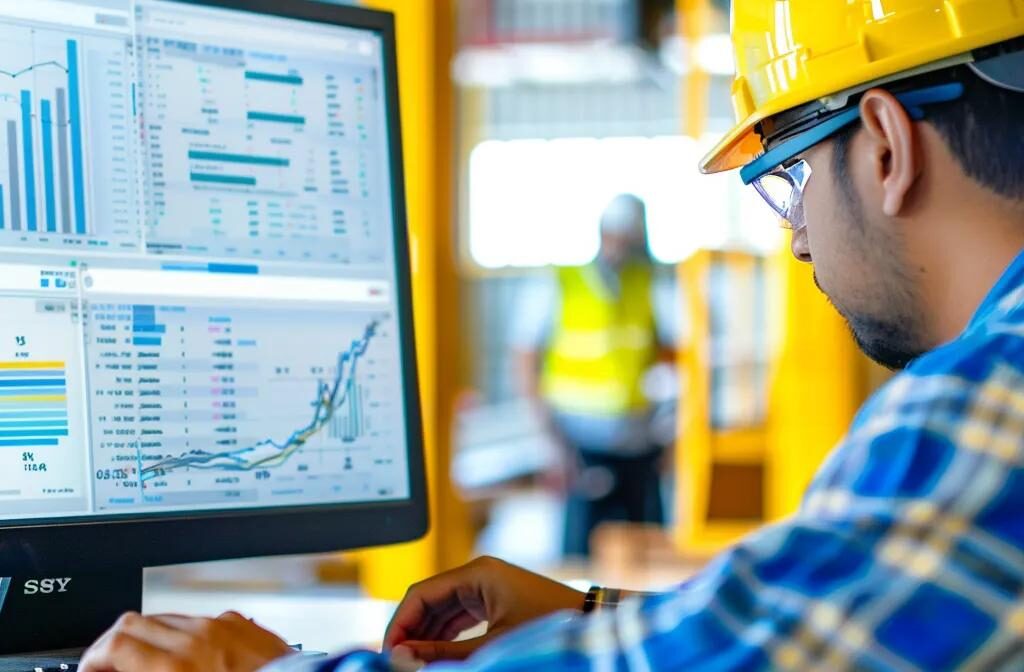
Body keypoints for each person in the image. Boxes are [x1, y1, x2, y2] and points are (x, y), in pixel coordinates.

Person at [80, 2, 1024, 670]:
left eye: (786, 178)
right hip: (584, 441)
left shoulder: (990, 404)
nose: (799, 233)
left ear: (888, 147)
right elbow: (857, 630)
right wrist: (586, 619)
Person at [512, 193, 676, 558]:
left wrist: (672, 432)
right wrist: (549, 442)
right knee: (578, 557)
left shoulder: (648, 284)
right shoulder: (560, 283)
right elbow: (524, 361)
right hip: (579, 446)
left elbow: (672, 358)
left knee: (646, 552)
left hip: (638, 443)